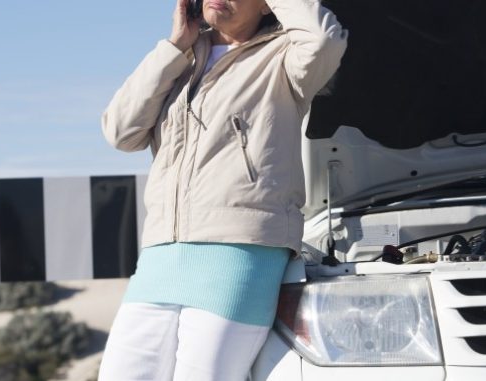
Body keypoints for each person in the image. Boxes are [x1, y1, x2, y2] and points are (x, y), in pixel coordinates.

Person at [99, 0, 347, 379]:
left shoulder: (282, 56)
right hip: (161, 254)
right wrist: (173, 46)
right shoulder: (182, 56)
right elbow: (120, 131)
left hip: (239, 253)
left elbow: (324, 41)